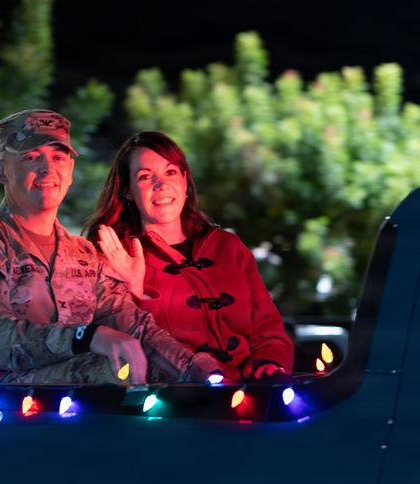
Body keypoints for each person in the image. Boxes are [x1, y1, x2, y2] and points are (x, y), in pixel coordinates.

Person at [0, 110, 220, 385]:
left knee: (164, 368)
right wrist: (85, 336)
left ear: (70, 170)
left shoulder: (83, 255)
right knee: (118, 368)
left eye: (58, 157)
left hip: (68, 399)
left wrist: (194, 368)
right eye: (31, 157)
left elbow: (134, 327)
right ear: (1, 171)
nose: (48, 168)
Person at [84, 131, 294, 382]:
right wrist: (136, 290)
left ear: (184, 180)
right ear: (128, 191)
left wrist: (269, 363)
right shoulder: (112, 255)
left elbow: (267, 326)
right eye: (145, 176)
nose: (160, 185)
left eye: (170, 172)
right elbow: (130, 346)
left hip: (252, 389)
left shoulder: (228, 246)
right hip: (179, 394)